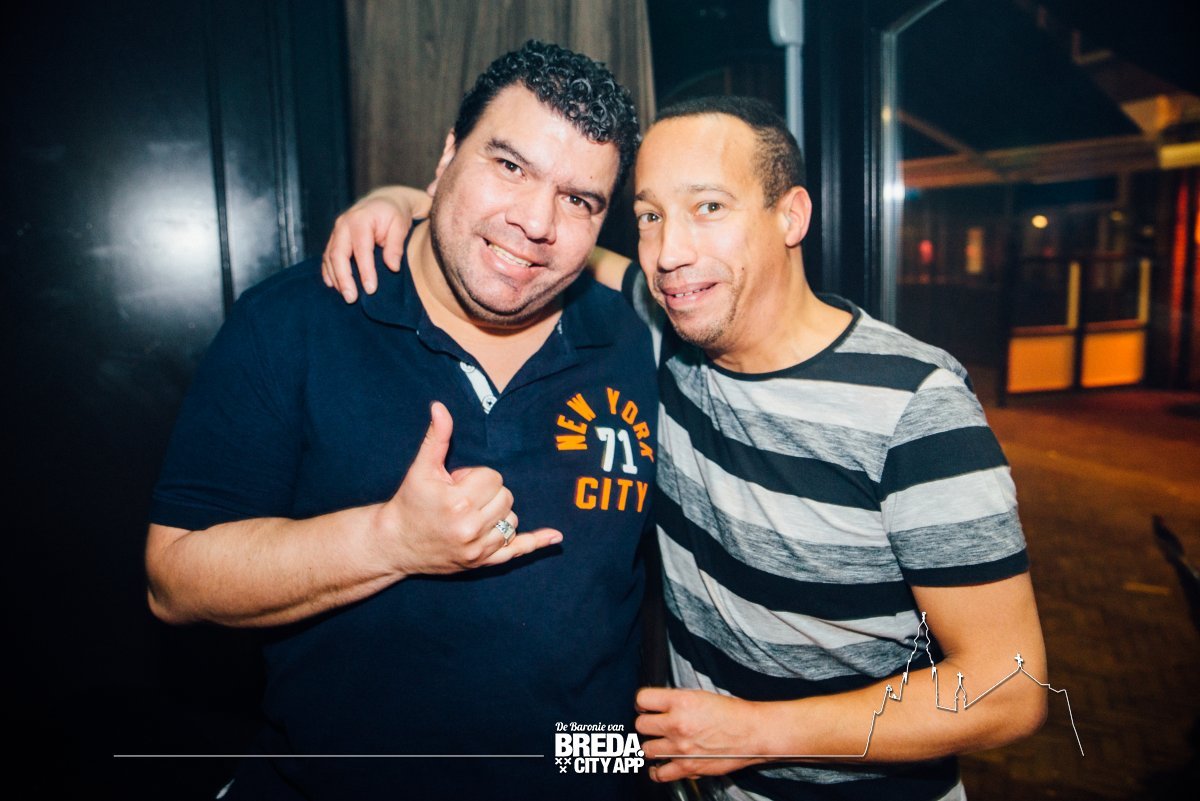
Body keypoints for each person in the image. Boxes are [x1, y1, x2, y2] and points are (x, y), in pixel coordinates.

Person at [325, 95, 1048, 801]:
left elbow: (1008, 688)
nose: (670, 253)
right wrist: (400, 202)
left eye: (709, 207)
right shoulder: (674, 334)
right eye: (650, 216)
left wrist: (759, 733)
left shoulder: (914, 406)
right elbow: (540, 246)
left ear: (791, 216)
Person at [146, 41, 656, 801]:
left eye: (579, 200)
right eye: (509, 166)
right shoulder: (294, 321)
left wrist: (628, 772)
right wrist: (390, 540)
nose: (535, 221)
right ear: (447, 156)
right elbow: (175, 579)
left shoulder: (637, 341)